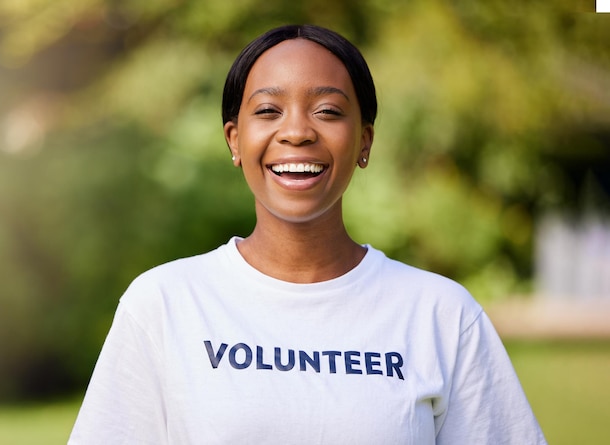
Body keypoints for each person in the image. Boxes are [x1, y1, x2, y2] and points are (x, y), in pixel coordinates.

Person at [68, 24, 546, 444]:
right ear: (235, 140)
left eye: (328, 111)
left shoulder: (442, 315)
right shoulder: (164, 304)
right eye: (269, 111)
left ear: (364, 141)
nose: (296, 132)